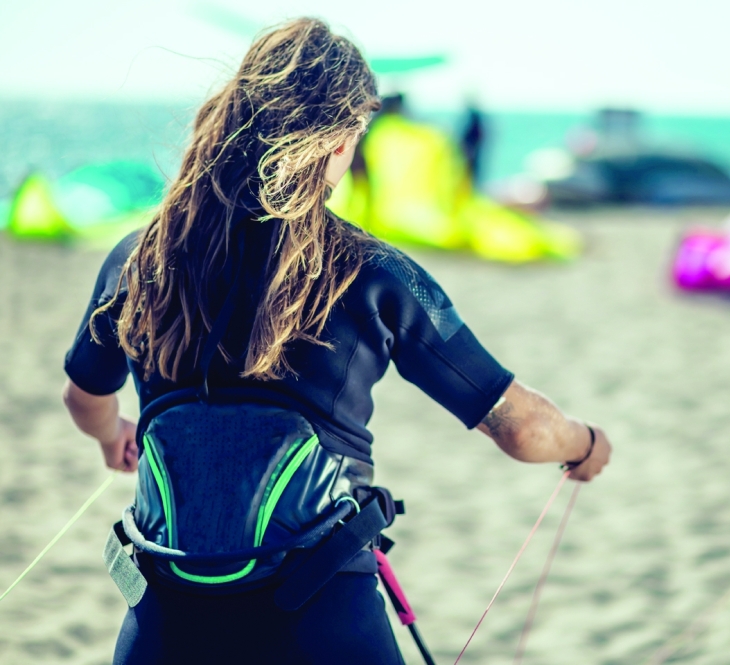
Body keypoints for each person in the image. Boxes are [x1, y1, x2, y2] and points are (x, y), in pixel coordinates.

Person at [61, 17, 611, 665]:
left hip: (166, 622)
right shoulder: (372, 271)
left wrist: (111, 435)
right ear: (339, 139)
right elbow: (518, 427)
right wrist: (586, 442)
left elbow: (83, 395)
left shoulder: (143, 256)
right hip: (318, 616)